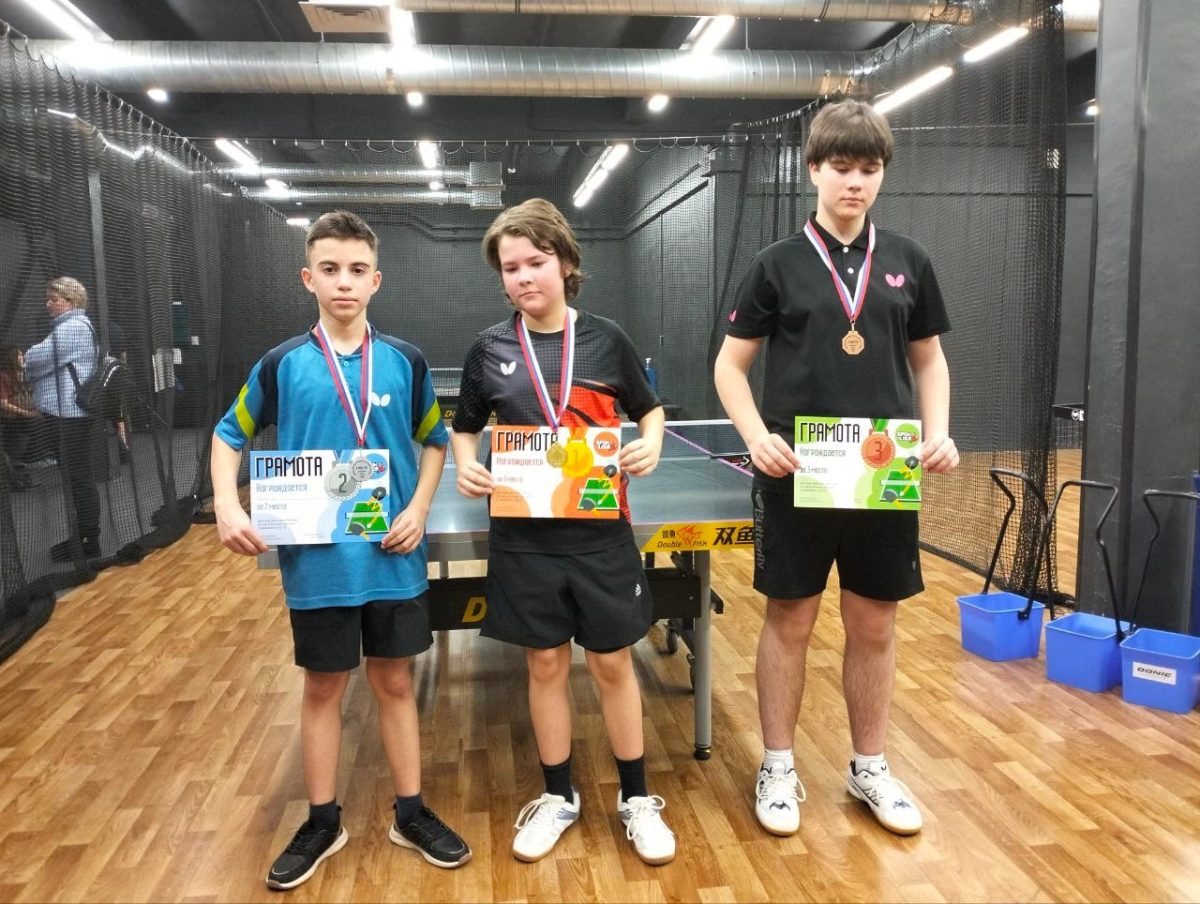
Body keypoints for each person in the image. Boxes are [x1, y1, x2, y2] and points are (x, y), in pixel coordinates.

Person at [714, 100, 959, 838]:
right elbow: (730, 367)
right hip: (797, 469)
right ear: (814, 169)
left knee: (874, 622)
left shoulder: (910, 260)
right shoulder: (776, 265)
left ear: (882, 174)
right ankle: (778, 764)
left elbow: (930, 361)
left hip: (883, 472)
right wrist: (756, 435)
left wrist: (939, 433)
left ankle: (869, 766)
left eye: (869, 168)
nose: (855, 182)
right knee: (790, 617)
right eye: (842, 167)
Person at [210, 210, 471, 890]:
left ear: (376, 280)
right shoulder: (282, 365)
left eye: (357, 270)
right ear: (309, 278)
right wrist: (228, 505)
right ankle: (323, 821)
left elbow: (435, 440)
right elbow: (228, 435)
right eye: (330, 269)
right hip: (318, 562)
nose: (344, 282)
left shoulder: (405, 361)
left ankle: (410, 813)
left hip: (391, 556)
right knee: (324, 685)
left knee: (394, 681)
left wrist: (418, 508)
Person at [451, 198, 675, 866]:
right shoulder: (488, 348)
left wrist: (651, 444)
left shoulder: (607, 338)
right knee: (544, 663)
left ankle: (637, 799)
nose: (524, 276)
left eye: (536, 261)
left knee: (611, 662)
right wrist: (467, 465)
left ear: (566, 263)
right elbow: (465, 426)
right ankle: (558, 797)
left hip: (600, 530)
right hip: (523, 535)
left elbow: (649, 410)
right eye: (510, 267)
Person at [24, 277, 102, 560]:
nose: (48, 304)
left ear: (71, 301)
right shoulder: (71, 326)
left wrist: (26, 359)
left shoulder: (73, 328)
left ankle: (88, 540)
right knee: (76, 476)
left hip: (69, 414)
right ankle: (84, 536)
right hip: (68, 413)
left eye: (54, 299)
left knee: (78, 477)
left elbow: (36, 359)